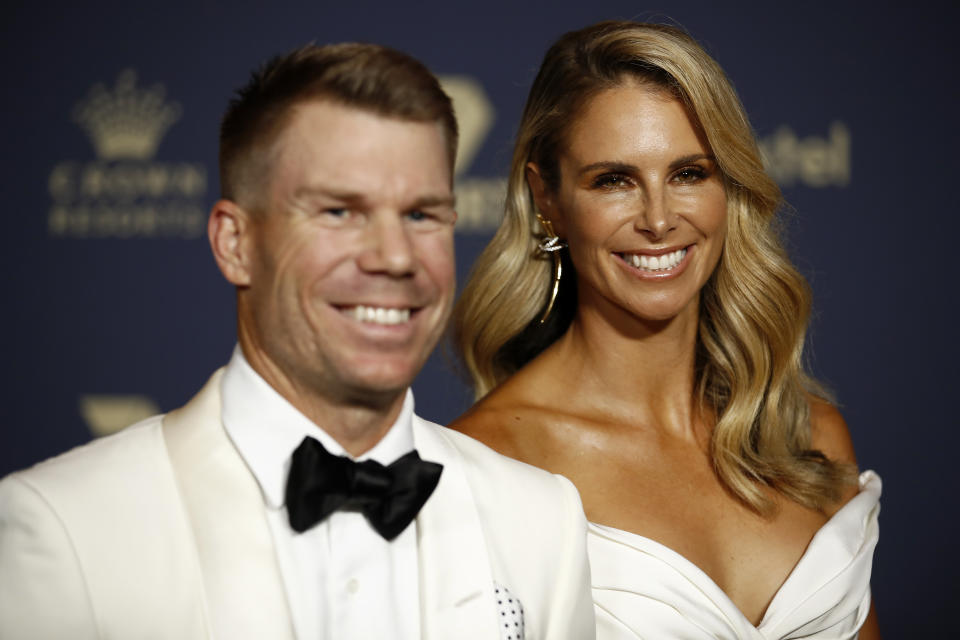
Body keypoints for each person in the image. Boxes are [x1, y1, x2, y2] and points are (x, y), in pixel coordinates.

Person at [0, 43, 594, 640]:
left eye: (421, 215)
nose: (394, 257)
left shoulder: (542, 523)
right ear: (235, 243)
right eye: (340, 211)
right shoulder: (64, 529)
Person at [452, 21, 880, 640]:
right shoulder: (483, 468)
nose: (658, 219)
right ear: (547, 198)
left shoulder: (808, 437)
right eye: (614, 180)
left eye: (688, 173)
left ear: (728, 186)